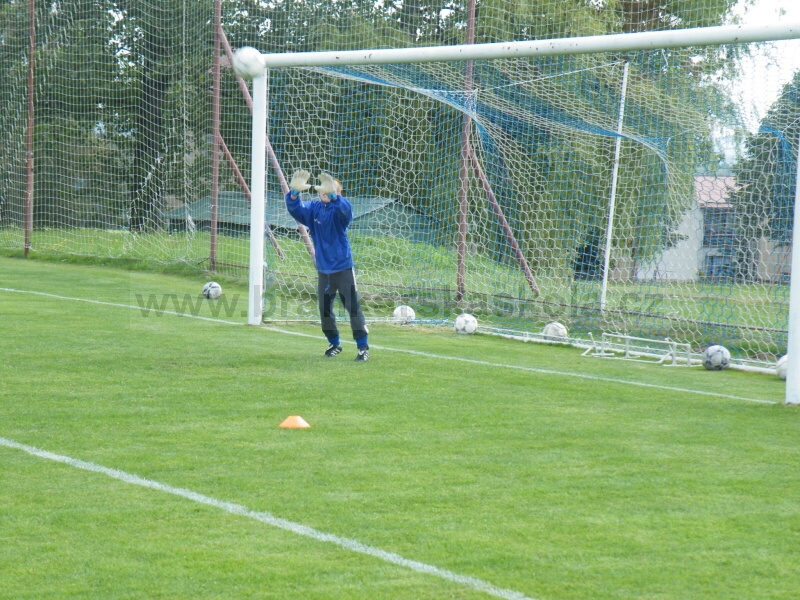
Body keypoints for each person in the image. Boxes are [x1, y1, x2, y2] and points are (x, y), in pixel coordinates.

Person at [285, 170, 370, 361]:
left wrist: (334, 196)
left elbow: (346, 211)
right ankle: (334, 343)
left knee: (352, 307)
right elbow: (296, 211)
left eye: (331, 190)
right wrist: (294, 194)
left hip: (343, 267)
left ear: (337, 193)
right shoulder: (314, 208)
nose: (324, 192)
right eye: (323, 190)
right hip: (324, 269)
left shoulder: (340, 210)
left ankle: (363, 347)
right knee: (325, 310)